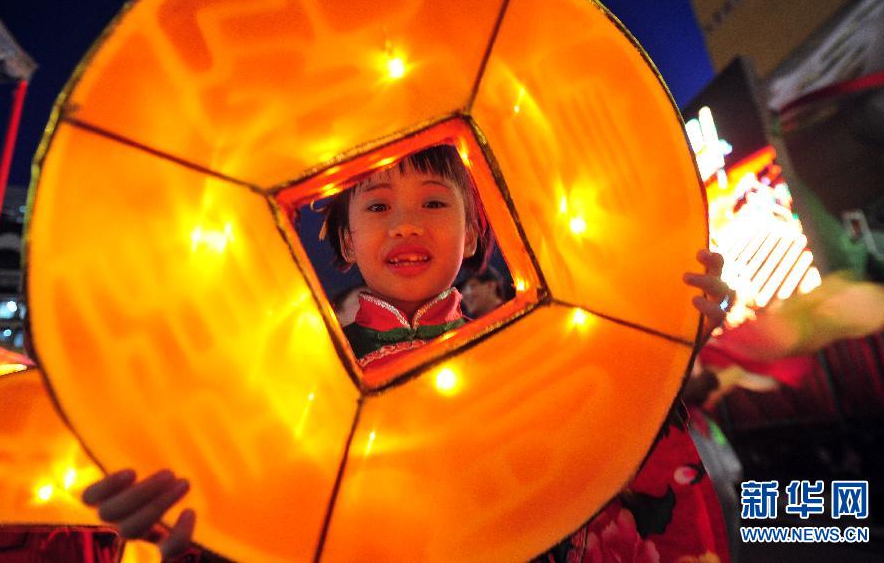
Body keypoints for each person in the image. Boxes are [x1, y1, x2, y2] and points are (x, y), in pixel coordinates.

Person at [83, 145, 733, 561]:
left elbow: (609, 460)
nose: (405, 224)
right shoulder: (290, 380)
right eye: (376, 205)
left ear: (477, 229)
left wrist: (661, 343)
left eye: (433, 201)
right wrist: (168, 513)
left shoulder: (538, 352)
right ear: (342, 239)